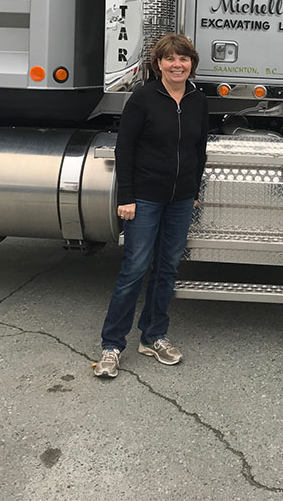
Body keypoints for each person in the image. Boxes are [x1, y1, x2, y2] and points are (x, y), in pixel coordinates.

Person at [93, 34, 208, 379]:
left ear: (191, 64)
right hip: (143, 197)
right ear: (158, 64)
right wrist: (125, 197)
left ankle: (153, 335)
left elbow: (199, 148)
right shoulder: (143, 99)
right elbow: (124, 149)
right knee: (135, 268)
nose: (177, 65)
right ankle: (112, 345)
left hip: (181, 199)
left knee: (167, 268)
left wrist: (193, 189)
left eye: (184, 59)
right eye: (170, 59)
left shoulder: (198, 101)